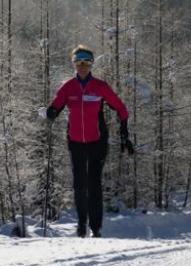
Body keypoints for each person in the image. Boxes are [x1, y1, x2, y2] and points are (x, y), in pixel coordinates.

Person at [46, 45, 133, 237]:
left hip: (97, 141)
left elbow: (121, 109)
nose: (83, 66)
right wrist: (51, 112)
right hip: (76, 141)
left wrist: (125, 135)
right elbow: (55, 106)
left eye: (86, 62)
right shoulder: (68, 87)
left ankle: (96, 227)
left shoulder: (100, 86)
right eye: (79, 63)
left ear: (91, 64)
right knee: (79, 184)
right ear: (74, 65)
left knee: (94, 183)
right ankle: (81, 224)